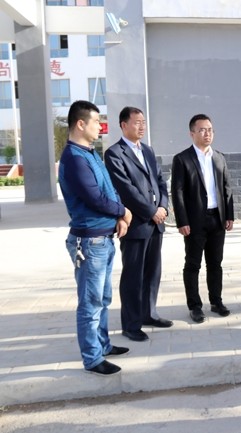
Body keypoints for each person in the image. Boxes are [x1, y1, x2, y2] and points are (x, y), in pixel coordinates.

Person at [58, 100, 132, 375]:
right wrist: (123, 211)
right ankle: (92, 358)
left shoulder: (89, 153)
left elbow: (109, 189)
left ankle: (103, 345)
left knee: (103, 298)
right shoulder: (74, 159)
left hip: (103, 238)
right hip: (89, 243)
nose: (100, 127)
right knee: (90, 303)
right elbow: (94, 198)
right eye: (96, 122)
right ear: (81, 124)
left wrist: (119, 217)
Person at [104, 107, 172, 342]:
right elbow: (126, 190)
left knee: (153, 272)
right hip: (136, 224)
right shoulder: (115, 154)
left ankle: (149, 314)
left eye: (143, 122)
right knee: (133, 276)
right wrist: (151, 212)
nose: (142, 126)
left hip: (155, 223)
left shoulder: (148, 150)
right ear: (124, 125)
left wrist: (163, 207)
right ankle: (131, 324)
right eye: (137, 122)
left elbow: (161, 182)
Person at [171, 114, 234, 323]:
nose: (207, 133)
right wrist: (182, 221)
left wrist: (229, 215)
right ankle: (195, 306)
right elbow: (177, 192)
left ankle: (216, 301)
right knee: (193, 264)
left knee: (215, 263)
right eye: (202, 130)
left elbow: (227, 188)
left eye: (210, 129)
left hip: (217, 218)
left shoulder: (219, 157)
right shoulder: (182, 159)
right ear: (192, 133)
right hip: (194, 221)